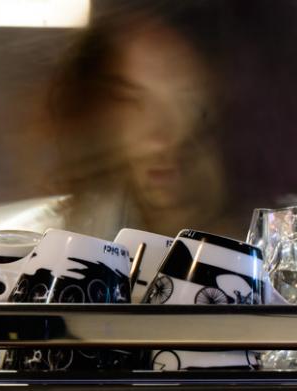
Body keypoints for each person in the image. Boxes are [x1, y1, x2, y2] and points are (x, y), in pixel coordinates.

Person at [41, 2, 247, 239]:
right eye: (131, 101)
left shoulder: (279, 240)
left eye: (187, 103)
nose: (160, 139)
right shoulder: (77, 230)